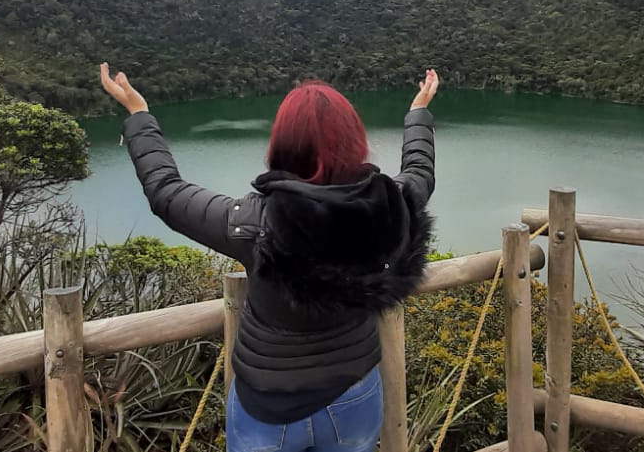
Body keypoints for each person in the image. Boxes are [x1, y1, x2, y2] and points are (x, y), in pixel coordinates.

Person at [98, 64, 440, 452]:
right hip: (354, 395)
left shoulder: (256, 222)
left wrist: (139, 113)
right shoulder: (388, 206)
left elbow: (168, 193)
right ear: (355, 140)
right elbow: (419, 171)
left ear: (283, 143)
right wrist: (419, 111)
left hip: (269, 408)